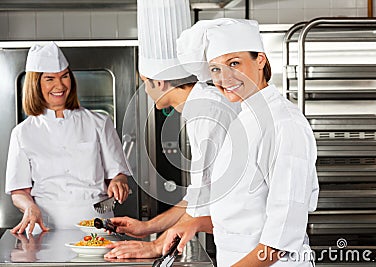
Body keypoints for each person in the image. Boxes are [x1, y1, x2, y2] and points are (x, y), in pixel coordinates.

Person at [162, 18, 320, 266]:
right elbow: (243, 216)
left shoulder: (284, 124)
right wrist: (195, 223)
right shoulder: (244, 118)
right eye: (215, 69)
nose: (224, 78)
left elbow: (281, 238)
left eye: (234, 63)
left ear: (261, 60)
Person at [103, 0, 240, 259]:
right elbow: (198, 196)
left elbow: (201, 204)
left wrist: (156, 246)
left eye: (146, 83)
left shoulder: (207, 112)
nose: (145, 91)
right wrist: (147, 228)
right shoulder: (201, 106)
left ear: (160, 81)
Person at [5, 42, 131, 233]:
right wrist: (29, 207)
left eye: (65, 76)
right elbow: (19, 191)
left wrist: (119, 182)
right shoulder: (22, 133)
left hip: (96, 225)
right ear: (35, 84)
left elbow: (117, 174)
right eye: (50, 79)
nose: (60, 85)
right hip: (45, 226)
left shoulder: (99, 122)